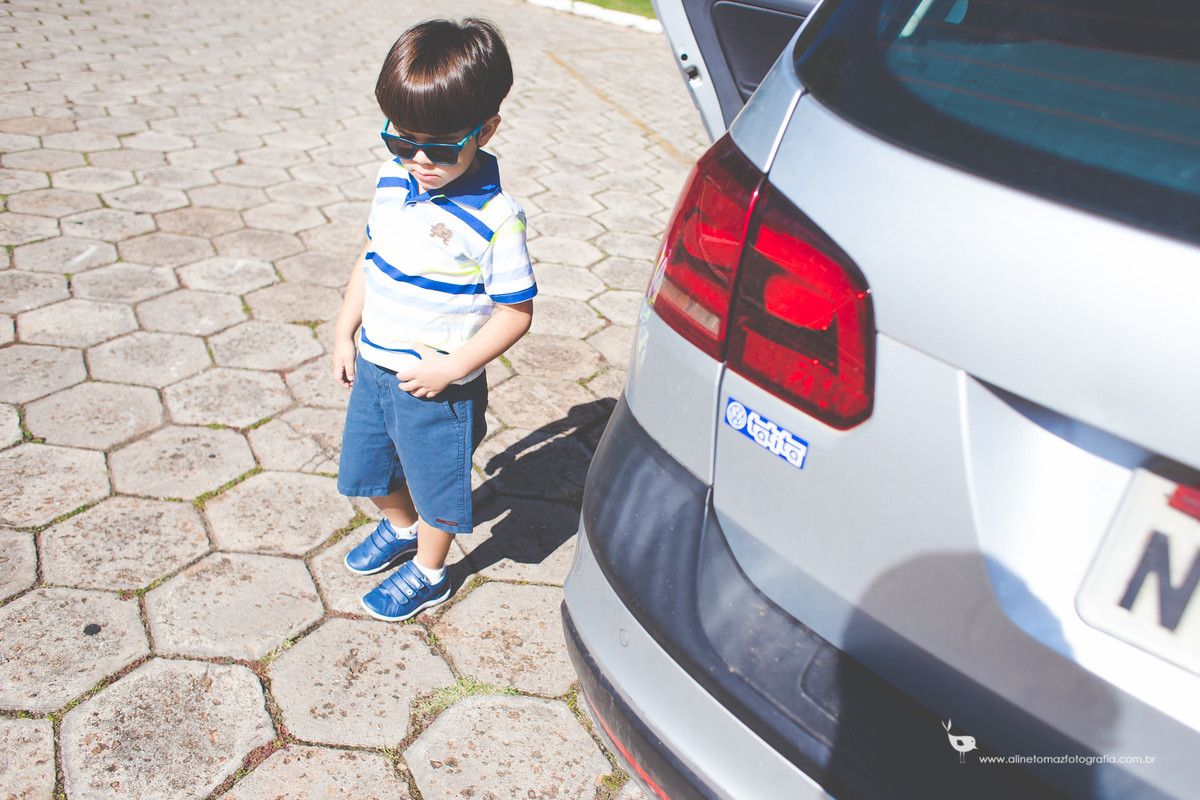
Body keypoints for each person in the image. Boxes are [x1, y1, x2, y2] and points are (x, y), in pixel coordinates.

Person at [332, 17, 535, 622]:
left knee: (437, 485)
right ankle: (400, 528)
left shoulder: (498, 218)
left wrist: (454, 368)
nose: (419, 159)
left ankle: (430, 570)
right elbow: (370, 258)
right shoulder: (393, 180)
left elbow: (515, 312)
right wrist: (345, 329)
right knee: (366, 471)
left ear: (487, 129)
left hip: (438, 385)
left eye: (441, 146)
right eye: (401, 140)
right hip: (374, 363)